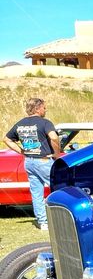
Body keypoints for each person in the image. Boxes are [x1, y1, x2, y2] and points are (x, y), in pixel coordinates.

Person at [3, 98, 60, 230]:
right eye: (44, 108)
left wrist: (22, 151)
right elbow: (54, 137)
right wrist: (57, 153)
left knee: (36, 193)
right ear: (38, 108)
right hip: (44, 160)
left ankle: (43, 222)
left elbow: (6, 139)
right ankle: (62, 216)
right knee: (58, 188)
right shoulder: (45, 123)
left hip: (29, 161)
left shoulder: (20, 124)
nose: (45, 110)